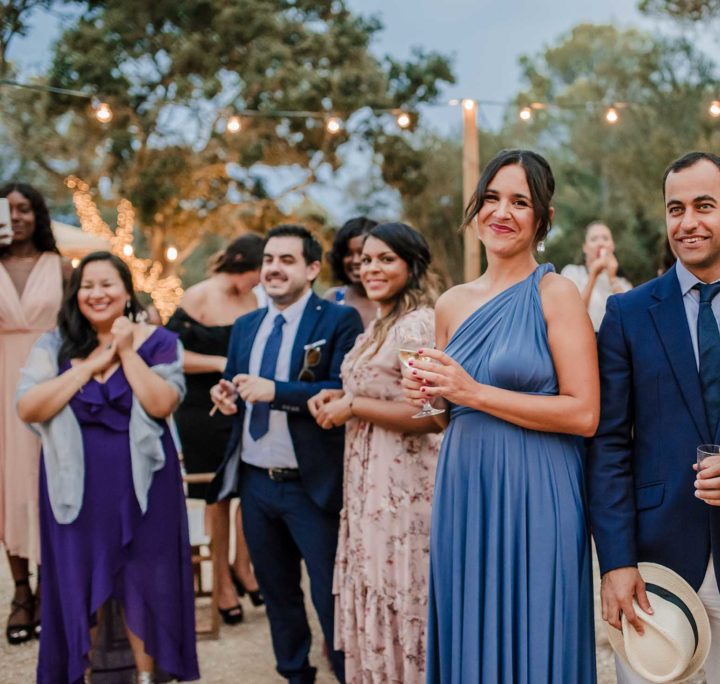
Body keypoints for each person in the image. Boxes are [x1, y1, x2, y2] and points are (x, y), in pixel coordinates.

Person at [588, 152, 720, 684]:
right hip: (653, 562)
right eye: (675, 208)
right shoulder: (628, 314)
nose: (687, 222)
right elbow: (610, 445)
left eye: (704, 206)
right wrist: (615, 563)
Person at [402, 149, 599, 682]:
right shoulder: (451, 303)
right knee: (471, 624)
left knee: (538, 631)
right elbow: (449, 414)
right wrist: (432, 395)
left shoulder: (556, 295)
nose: (501, 212)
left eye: (519, 201)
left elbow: (584, 414)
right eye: (491, 198)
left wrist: (472, 391)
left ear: (544, 219)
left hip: (539, 487)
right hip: (467, 487)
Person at [16, 251, 199, 684]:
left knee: (145, 580)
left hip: (145, 487)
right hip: (74, 491)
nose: (96, 294)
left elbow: (161, 404)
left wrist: (126, 352)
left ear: (126, 290)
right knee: (79, 582)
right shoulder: (54, 344)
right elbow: (29, 406)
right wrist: (94, 365)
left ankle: (147, 677)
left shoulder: (160, 342)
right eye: (87, 286)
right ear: (75, 294)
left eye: (107, 284)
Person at [209, 225, 362, 683]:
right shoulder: (245, 326)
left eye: (287, 260)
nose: (274, 268)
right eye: (269, 260)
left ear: (313, 269)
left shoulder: (337, 321)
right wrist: (226, 394)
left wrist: (275, 391)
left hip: (310, 485)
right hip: (256, 483)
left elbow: (338, 388)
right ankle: (295, 674)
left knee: (328, 595)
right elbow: (237, 383)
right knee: (277, 594)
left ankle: (346, 672)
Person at [308, 222, 442, 682]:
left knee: (403, 596)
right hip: (369, 490)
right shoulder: (376, 328)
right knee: (374, 592)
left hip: (405, 494)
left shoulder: (417, 323)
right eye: (366, 259)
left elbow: (431, 414)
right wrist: (335, 401)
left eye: (386, 259)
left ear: (412, 264)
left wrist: (354, 406)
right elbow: (368, 394)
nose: (372, 268)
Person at [165, 234, 264, 625]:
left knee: (250, 487)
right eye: (258, 270)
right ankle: (221, 581)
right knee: (217, 496)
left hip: (241, 404)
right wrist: (218, 362)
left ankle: (244, 565)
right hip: (200, 409)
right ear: (242, 264)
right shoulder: (198, 296)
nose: (261, 279)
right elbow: (170, 354)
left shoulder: (254, 301)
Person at [0, 182, 69, 645]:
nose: (17, 217)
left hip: (49, 378)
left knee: (49, 478)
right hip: (1, 381)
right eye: (8, 210)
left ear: (37, 214)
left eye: (25, 209)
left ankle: (50, 588)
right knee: (9, 485)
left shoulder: (60, 266)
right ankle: (20, 592)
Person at [561, 221, 633, 330]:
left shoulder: (622, 283)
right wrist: (593, 276)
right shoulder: (572, 273)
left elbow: (631, 315)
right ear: (585, 247)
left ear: (612, 246)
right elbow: (571, 316)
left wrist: (612, 278)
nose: (601, 243)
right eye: (594, 239)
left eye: (605, 238)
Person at [325, 217, 378, 328]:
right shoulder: (335, 298)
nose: (355, 260)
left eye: (362, 252)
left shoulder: (395, 303)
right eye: (348, 253)